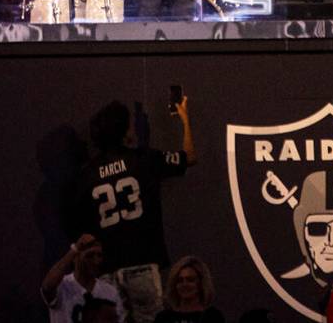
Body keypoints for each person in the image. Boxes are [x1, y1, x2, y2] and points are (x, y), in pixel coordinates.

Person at [72, 98, 197, 323]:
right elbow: (189, 156)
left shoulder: (85, 175)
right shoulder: (143, 159)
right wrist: (185, 119)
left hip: (106, 270)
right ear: (122, 130)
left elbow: (76, 227)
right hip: (143, 263)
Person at [41, 233, 125, 323]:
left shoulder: (110, 292)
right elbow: (47, 286)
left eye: (99, 255)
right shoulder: (62, 286)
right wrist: (75, 249)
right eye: (90, 256)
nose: (96, 261)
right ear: (75, 258)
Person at [153, 255, 224, 323]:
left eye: (190, 280)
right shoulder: (163, 318)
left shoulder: (212, 317)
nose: (184, 284)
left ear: (201, 283)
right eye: (180, 280)